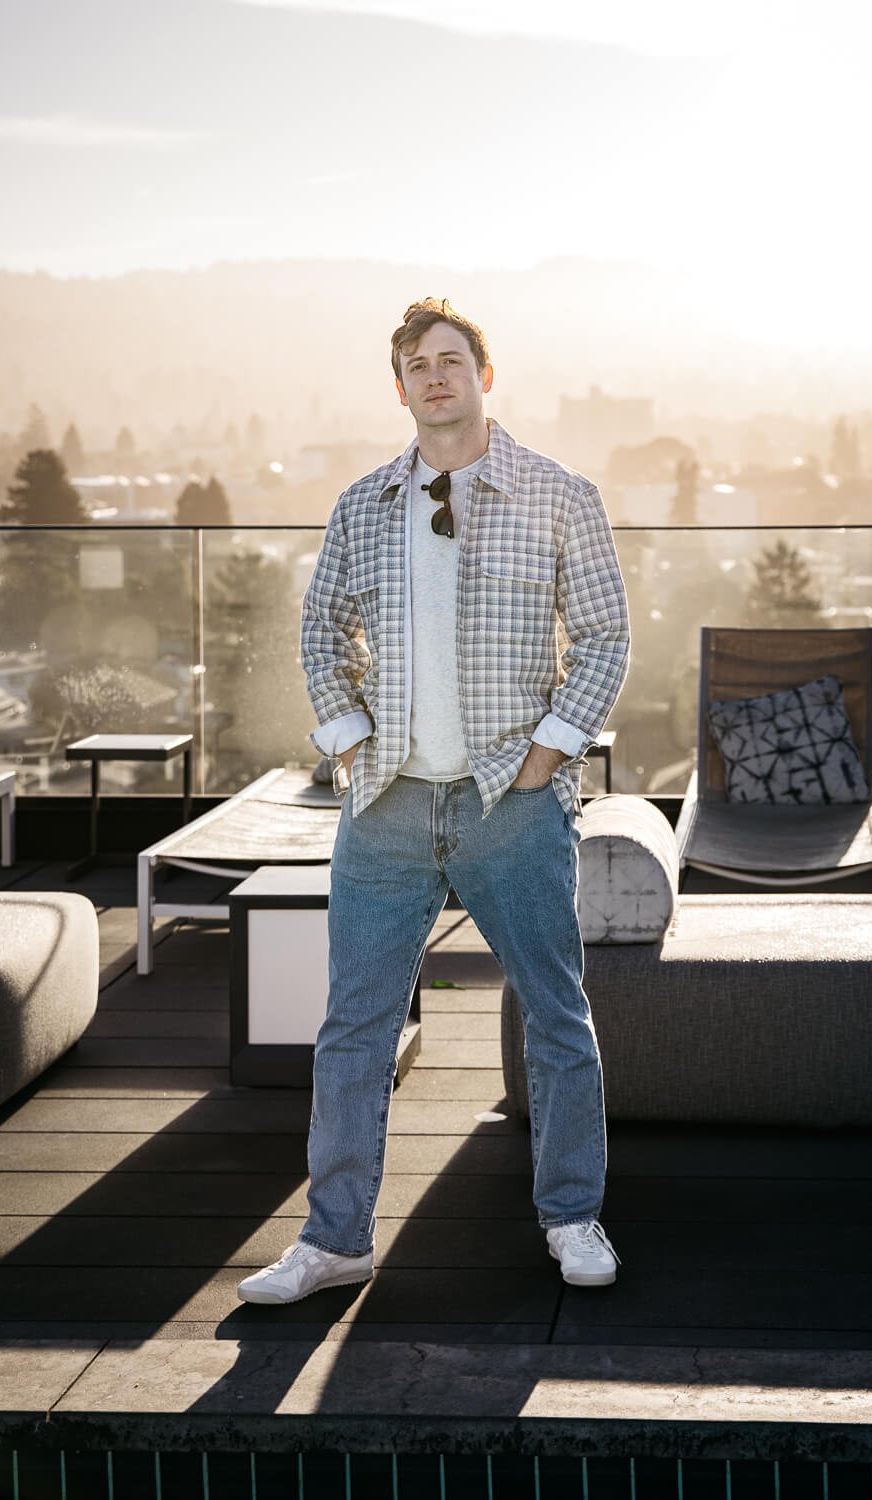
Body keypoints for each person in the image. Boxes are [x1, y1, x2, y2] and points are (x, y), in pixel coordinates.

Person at [238, 298, 629, 1305]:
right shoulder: (363, 504)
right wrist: (350, 741)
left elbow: (604, 639)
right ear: (400, 385)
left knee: (555, 1017)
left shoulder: (556, 494)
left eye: (451, 359)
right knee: (354, 1026)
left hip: (514, 802)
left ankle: (571, 1216)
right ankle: (335, 1240)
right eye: (416, 363)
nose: (434, 375)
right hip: (386, 810)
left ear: (484, 376)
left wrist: (545, 760)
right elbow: (320, 631)